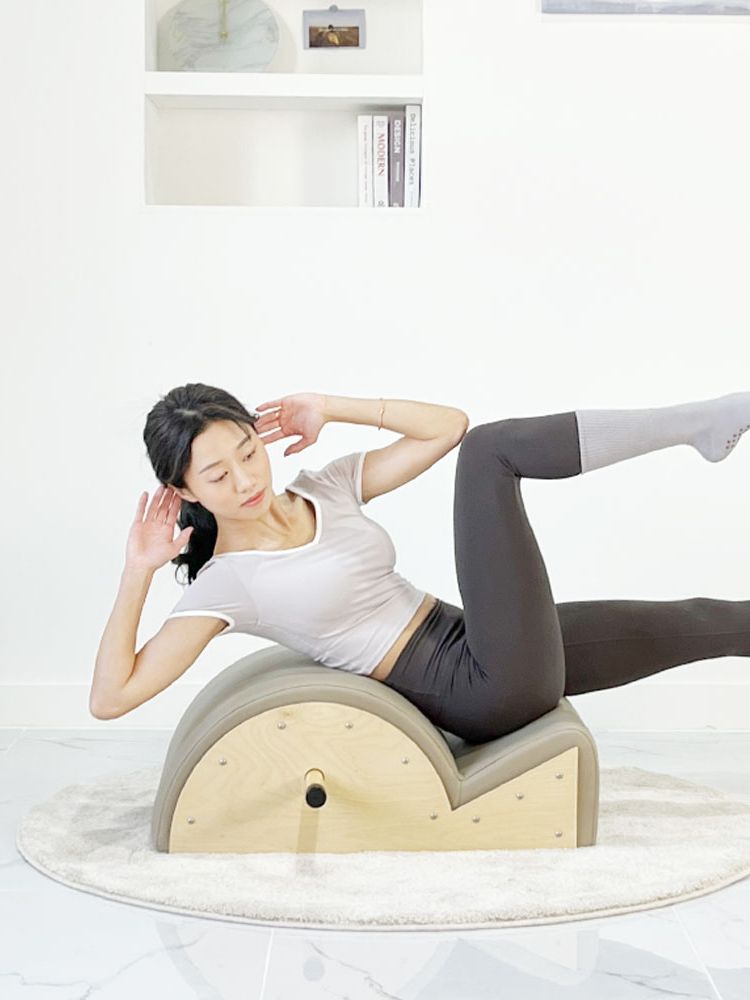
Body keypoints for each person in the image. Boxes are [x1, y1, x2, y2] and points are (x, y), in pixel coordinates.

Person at [90, 383, 750, 743]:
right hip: (476, 689)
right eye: (217, 474)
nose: (245, 479)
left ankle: (700, 430)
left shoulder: (325, 487)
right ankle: (695, 425)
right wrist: (137, 571)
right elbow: (110, 698)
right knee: (491, 453)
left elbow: (445, 425)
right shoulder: (228, 584)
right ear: (184, 491)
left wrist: (331, 407)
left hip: (476, 640)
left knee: (695, 620)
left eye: (247, 451)